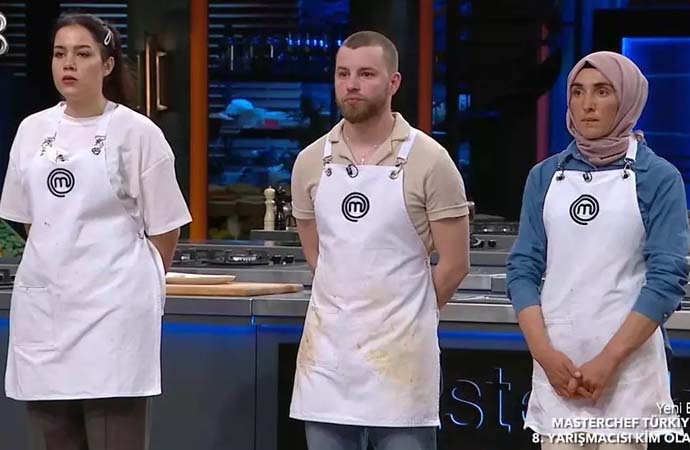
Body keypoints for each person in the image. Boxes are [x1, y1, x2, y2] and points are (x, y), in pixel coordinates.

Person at [0, 13, 191, 450]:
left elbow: (165, 228)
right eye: (59, 54)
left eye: (82, 54)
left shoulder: (138, 133)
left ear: (107, 65)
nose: (68, 63)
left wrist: (129, 284)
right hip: (46, 314)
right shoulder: (31, 130)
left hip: (114, 318)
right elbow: (28, 219)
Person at [289, 31, 470, 450]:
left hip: (401, 364)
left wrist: (410, 315)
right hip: (328, 362)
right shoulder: (310, 162)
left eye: (366, 74)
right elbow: (318, 255)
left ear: (393, 83)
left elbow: (455, 263)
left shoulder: (430, 160)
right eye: (343, 74)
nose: (352, 84)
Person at [507, 51, 689, 450]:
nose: (587, 104)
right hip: (557, 367)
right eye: (577, 92)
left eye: (602, 91)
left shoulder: (659, 178)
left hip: (627, 372)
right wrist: (543, 353)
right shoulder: (544, 176)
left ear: (627, 99)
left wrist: (608, 361)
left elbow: (667, 280)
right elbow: (522, 269)